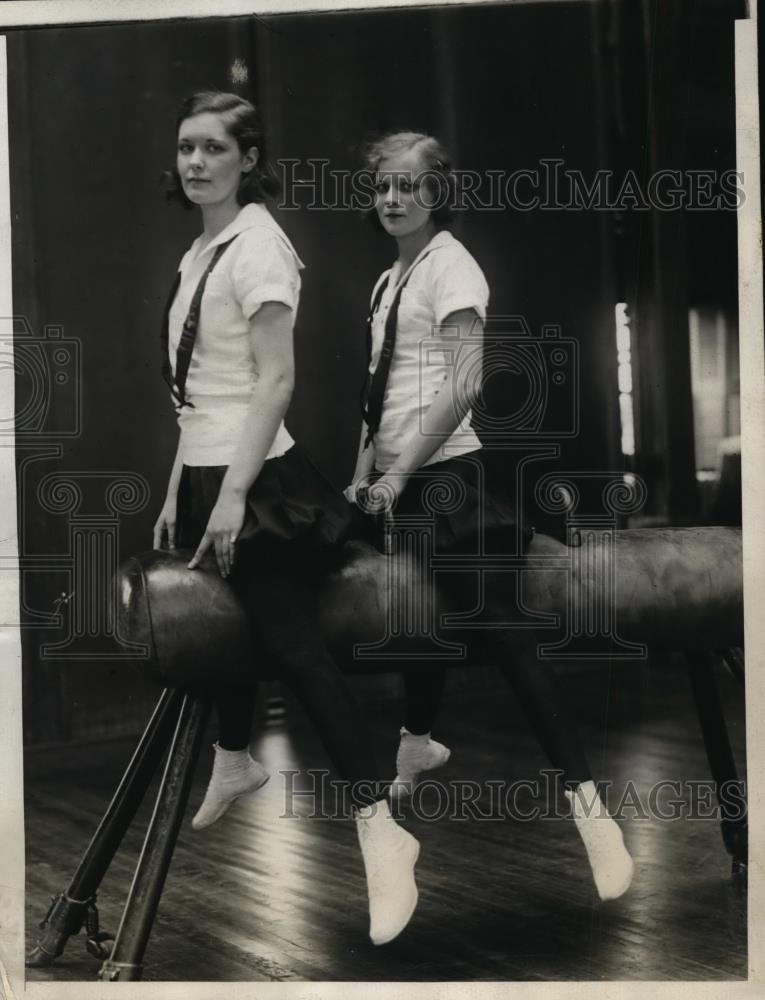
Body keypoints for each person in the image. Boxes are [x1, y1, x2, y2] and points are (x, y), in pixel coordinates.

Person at [152, 92, 418, 945]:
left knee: (292, 644)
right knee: (228, 629)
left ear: (247, 156)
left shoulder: (260, 245)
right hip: (207, 466)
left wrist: (230, 495)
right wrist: (175, 487)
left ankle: (382, 828)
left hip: (258, 477)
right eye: (186, 148)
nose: (195, 163)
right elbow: (198, 385)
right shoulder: (204, 249)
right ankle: (234, 759)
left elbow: (273, 382)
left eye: (213, 149)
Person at [346, 130, 634, 901]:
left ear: (437, 194)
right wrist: (363, 475)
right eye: (381, 187)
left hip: (447, 478)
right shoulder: (385, 282)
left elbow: (464, 384)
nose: (392, 199)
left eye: (408, 186)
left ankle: (591, 811)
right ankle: (414, 743)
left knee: (502, 634)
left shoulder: (452, 266)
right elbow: (378, 396)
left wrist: (403, 470)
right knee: (416, 614)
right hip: (393, 484)